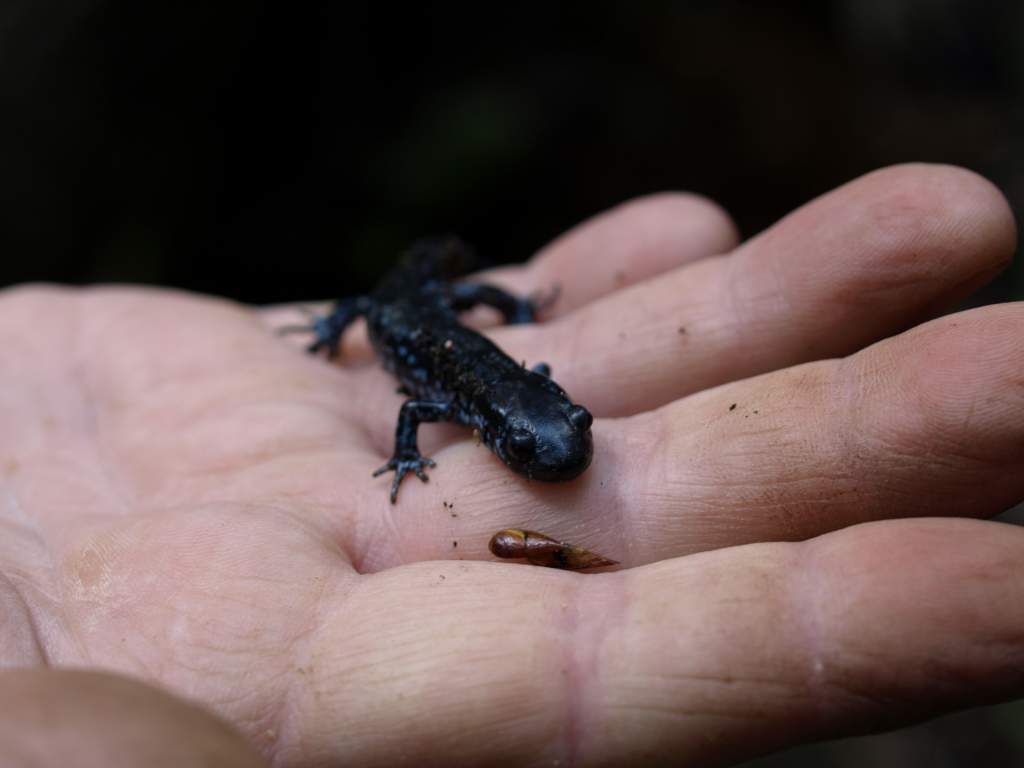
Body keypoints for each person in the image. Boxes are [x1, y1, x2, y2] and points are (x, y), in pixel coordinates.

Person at [1, 163, 1020, 767]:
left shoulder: (510, 393)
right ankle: (392, 301)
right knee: (389, 308)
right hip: (401, 310)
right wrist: (385, 426)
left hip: (446, 315)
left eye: (564, 438)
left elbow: (519, 382)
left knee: (451, 304)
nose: (561, 457)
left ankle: (476, 285)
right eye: (540, 450)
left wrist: (520, 317)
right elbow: (410, 401)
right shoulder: (446, 398)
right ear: (495, 434)